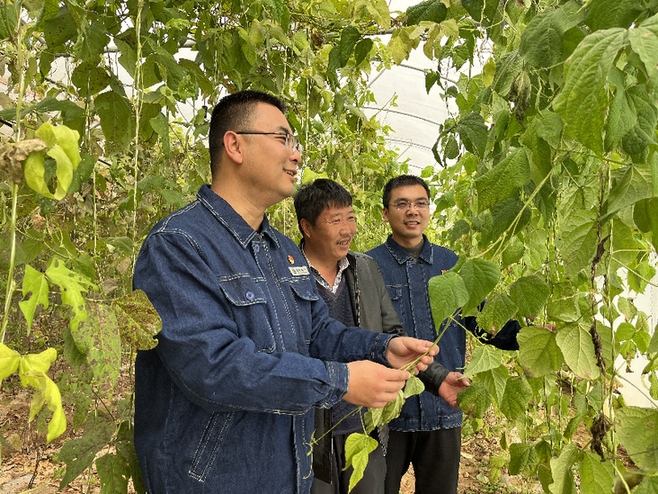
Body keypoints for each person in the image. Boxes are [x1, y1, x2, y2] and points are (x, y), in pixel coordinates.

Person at [132, 92, 438, 494]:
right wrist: (341, 380)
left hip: (287, 473)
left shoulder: (281, 250)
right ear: (235, 144)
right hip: (214, 479)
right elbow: (213, 367)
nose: (295, 156)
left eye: (296, 143)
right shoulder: (179, 244)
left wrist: (383, 347)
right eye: (283, 139)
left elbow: (319, 332)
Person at [294, 178, 468, 494]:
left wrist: (439, 378)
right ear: (307, 227)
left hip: (364, 426)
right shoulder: (285, 275)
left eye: (350, 217)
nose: (348, 229)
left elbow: (392, 337)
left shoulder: (365, 269)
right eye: (336, 221)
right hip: (309, 433)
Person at [367, 175, 520, 494]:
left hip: (443, 410)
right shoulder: (367, 266)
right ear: (385, 213)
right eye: (402, 204)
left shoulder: (454, 265)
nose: (413, 211)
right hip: (389, 410)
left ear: (429, 210)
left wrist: (529, 337)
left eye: (420, 203)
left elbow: (484, 322)